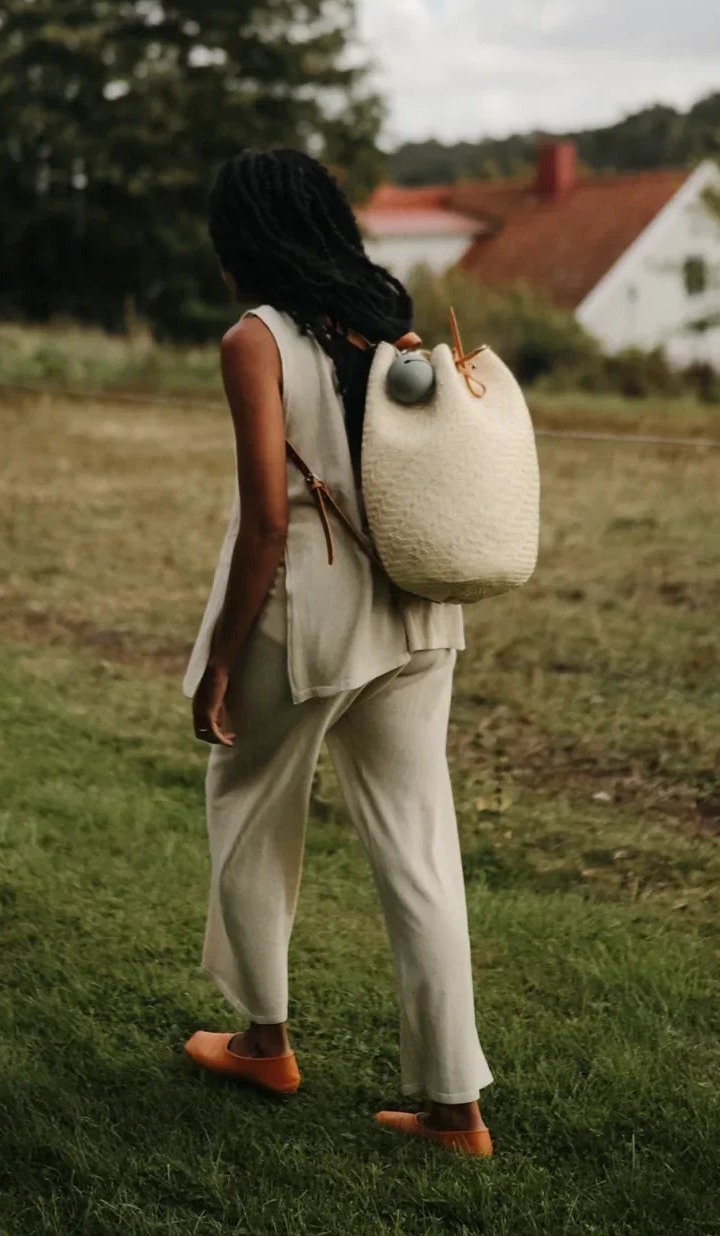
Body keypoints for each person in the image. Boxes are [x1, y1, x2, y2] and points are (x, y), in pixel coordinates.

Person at [183, 148, 494, 1158]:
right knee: (419, 849)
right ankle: (456, 1111)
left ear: (244, 242)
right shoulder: (388, 319)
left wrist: (222, 660)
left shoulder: (255, 341)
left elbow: (268, 524)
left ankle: (265, 1040)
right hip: (416, 613)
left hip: (311, 619)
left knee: (247, 804)